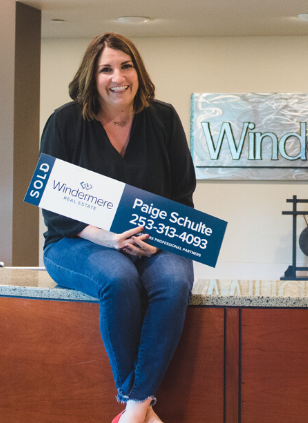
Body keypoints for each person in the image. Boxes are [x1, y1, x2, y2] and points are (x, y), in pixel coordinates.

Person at [39, 33, 196, 423]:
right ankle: (141, 406)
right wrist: (107, 238)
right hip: (75, 241)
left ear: (138, 71)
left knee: (175, 281)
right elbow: (53, 207)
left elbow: (182, 195)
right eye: (106, 69)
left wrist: (157, 241)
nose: (118, 77)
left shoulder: (164, 119)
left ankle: (134, 410)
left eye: (126, 66)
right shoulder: (64, 122)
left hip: (154, 243)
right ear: (91, 76)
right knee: (118, 277)